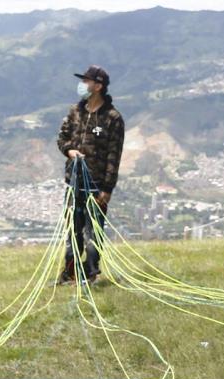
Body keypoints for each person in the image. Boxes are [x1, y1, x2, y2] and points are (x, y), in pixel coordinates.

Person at [56, 64, 125, 285]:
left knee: (92, 231)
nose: (82, 85)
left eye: (86, 81)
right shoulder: (75, 111)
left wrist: (107, 189)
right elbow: (62, 138)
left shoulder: (112, 118)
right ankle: (70, 272)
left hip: (96, 186)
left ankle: (91, 273)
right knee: (72, 231)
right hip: (73, 182)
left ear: (98, 86)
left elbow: (114, 156)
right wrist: (69, 151)